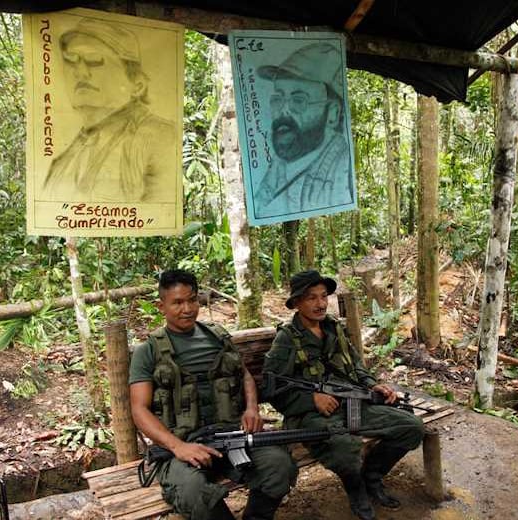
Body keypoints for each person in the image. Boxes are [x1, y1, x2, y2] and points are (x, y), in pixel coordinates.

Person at [129, 269, 298, 520]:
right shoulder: (149, 351)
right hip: (184, 444)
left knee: (279, 466)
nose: (187, 308)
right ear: (161, 306)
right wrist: (179, 447)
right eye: (177, 302)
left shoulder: (217, 337)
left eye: (192, 299)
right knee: (192, 491)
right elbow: (139, 410)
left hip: (232, 436)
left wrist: (252, 408)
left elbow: (244, 375)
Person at [262, 270, 424, 520]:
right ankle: (356, 491)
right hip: (312, 416)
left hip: (353, 403)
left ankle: (372, 476)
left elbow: (355, 363)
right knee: (345, 447)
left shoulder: (333, 328)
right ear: (296, 303)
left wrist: (372, 384)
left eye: (323, 296)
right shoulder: (287, 340)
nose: (320, 304)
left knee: (411, 426)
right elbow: (272, 387)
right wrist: (311, 399)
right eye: (311, 298)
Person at [41, 17, 176, 203]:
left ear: (137, 85)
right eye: (70, 59)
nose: (80, 72)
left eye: (94, 60)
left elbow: (160, 207)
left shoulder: (159, 138)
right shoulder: (65, 160)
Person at [254, 42, 354, 218]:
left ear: (332, 113)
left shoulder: (341, 170)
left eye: (298, 101)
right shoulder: (278, 166)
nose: (283, 111)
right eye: (278, 99)